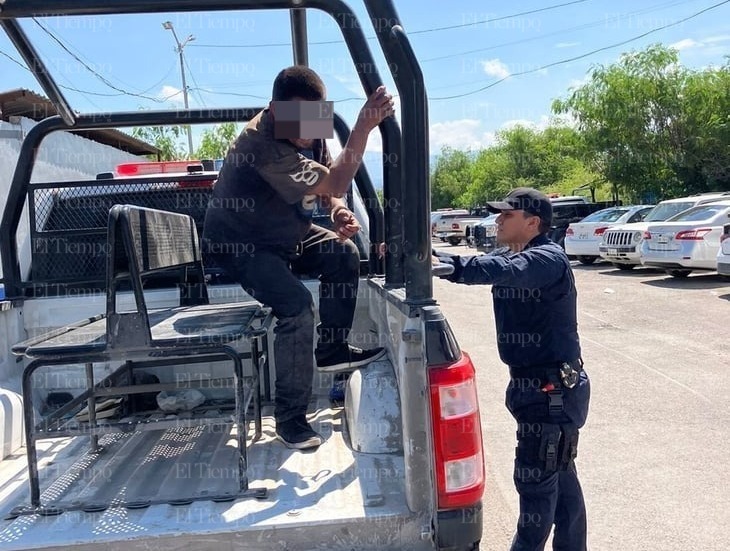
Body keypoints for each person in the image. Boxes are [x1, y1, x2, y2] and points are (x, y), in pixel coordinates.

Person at [202, 66, 393, 450]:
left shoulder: (310, 125)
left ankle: (332, 350)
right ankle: (290, 420)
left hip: (286, 231)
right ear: (274, 109)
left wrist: (337, 210)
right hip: (241, 242)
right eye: (297, 119)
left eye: (313, 117)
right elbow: (338, 178)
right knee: (296, 306)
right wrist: (362, 128)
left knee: (344, 253)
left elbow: (330, 185)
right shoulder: (261, 143)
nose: (307, 130)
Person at [433, 187, 590, 551]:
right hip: (538, 390)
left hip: (552, 393)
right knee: (561, 477)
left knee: (536, 483)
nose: (498, 219)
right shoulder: (514, 255)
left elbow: (505, 270)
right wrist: (432, 257)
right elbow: (498, 265)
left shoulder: (547, 258)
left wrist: (450, 266)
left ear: (533, 222)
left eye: (508, 214)